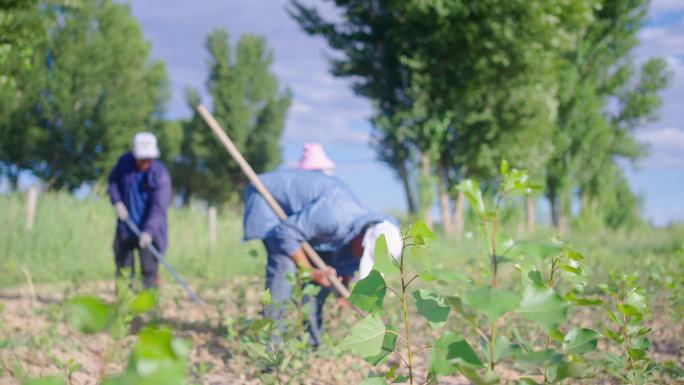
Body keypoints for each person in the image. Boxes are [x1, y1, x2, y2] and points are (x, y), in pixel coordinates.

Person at [243, 169, 402, 346]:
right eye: (364, 255)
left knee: (322, 276)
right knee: (284, 268)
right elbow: (286, 232)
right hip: (269, 198)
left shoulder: (367, 227)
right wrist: (310, 272)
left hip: (301, 219)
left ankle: (311, 344)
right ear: (364, 240)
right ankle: (271, 351)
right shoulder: (335, 217)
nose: (360, 258)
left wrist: (342, 290)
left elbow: (347, 260)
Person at [107, 132, 172, 288]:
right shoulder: (124, 163)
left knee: (149, 271)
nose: (145, 162)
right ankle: (125, 308)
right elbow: (113, 182)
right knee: (124, 270)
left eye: (148, 159)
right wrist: (117, 202)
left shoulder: (160, 174)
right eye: (142, 159)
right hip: (126, 227)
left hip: (150, 231)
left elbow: (160, 207)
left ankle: (149, 310)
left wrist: (148, 231)